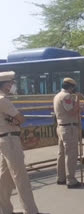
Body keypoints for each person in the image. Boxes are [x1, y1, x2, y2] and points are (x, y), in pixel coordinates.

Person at [0, 71, 41, 214]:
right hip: (10, 139)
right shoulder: (3, 100)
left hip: (4, 139)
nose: (12, 86)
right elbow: (21, 119)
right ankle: (30, 211)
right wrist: (17, 120)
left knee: (4, 179)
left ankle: (5, 209)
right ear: (5, 85)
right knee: (21, 177)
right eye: (10, 84)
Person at [53, 77, 84, 189]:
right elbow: (71, 112)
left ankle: (61, 178)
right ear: (71, 87)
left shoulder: (57, 95)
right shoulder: (67, 96)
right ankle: (71, 180)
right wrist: (77, 100)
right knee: (71, 154)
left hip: (61, 127)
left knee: (61, 154)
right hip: (69, 127)